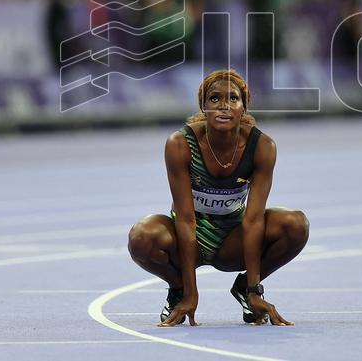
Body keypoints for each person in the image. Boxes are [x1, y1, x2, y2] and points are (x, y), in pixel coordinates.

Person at [127, 69, 309, 326]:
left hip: (231, 241)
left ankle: (244, 288)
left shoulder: (262, 147)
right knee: (142, 236)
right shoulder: (180, 144)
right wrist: (191, 293)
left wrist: (254, 288)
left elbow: (254, 220)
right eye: (215, 99)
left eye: (233, 99)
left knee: (295, 225)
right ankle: (178, 288)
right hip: (186, 238)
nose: (224, 106)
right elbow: (186, 220)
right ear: (203, 106)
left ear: (243, 107)